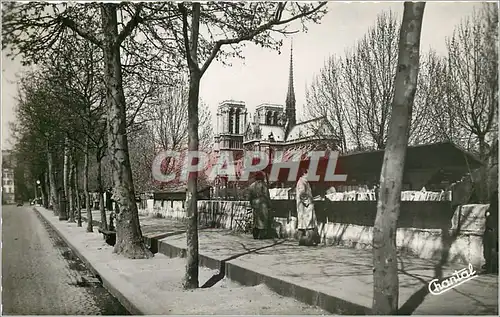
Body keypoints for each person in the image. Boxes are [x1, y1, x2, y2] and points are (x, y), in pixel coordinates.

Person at [296, 168, 320, 246]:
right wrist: (308, 202)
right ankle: (308, 241)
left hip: (304, 208)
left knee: (303, 225)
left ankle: (302, 241)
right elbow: (302, 194)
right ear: (304, 174)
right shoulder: (302, 183)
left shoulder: (305, 182)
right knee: (308, 224)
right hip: (305, 208)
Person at [248, 171, 271, 239]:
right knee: (263, 219)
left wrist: (251, 203)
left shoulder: (252, 185)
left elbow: (250, 196)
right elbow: (266, 194)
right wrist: (269, 204)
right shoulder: (263, 185)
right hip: (262, 202)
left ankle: (255, 234)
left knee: (256, 219)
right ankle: (261, 235)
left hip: (255, 202)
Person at [482, 190, 498, 273]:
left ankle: (491, 267)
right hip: (490, 229)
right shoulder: (491, 208)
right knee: (489, 249)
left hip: (493, 230)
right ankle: (490, 266)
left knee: (491, 249)